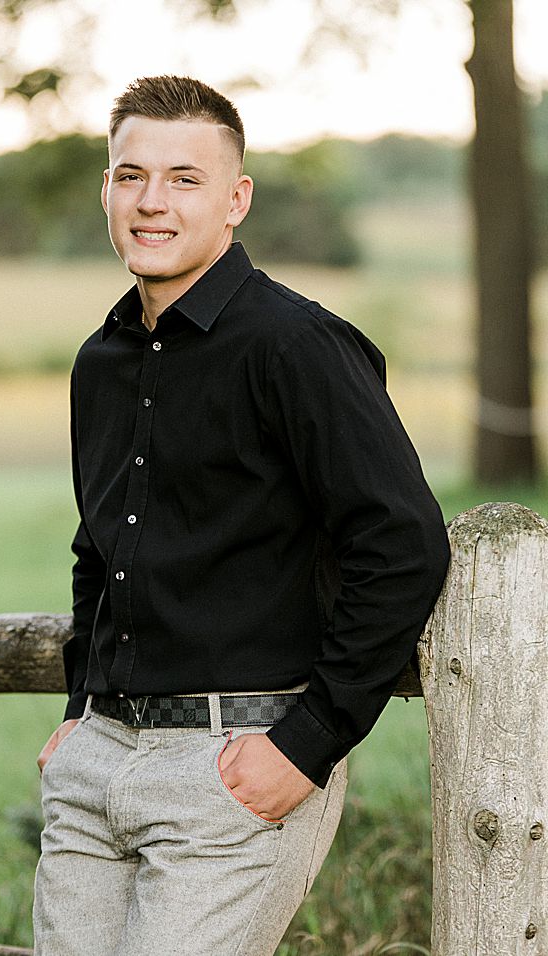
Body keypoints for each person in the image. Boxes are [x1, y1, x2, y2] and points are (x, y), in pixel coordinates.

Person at [32, 75, 451, 955]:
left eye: (185, 178)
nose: (152, 201)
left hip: (236, 764)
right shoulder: (98, 363)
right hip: (96, 760)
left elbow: (402, 544)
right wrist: (79, 706)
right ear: (105, 189)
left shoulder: (296, 346)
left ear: (236, 199)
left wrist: (309, 743)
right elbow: (99, 545)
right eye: (129, 175)